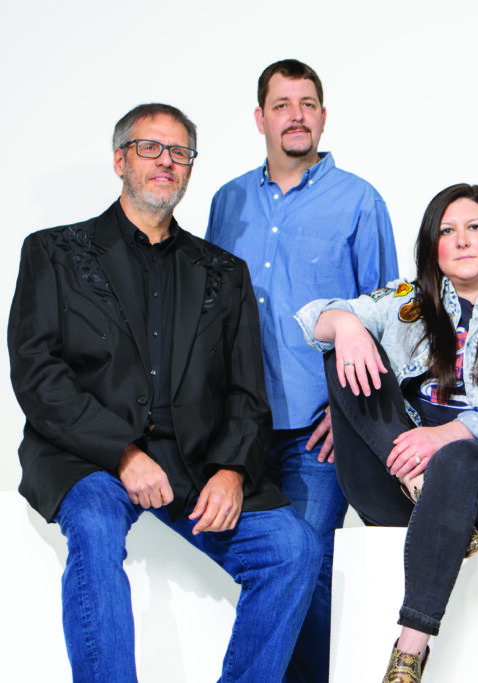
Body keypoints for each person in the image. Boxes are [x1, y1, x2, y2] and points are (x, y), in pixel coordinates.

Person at [8, 103, 320, 682]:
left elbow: (247, 393)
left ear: (190, 168)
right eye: (150, 148)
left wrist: (231, 470)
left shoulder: (225, 272)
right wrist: (123, 454)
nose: (166, 161)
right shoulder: (53, 252)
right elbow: (37, 375)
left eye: (179, 152)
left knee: (294, 549)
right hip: (89, 457)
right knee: (95, 527)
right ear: (120, 160)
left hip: (194, 461)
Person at [296, 183, 478, 683]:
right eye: (447, 230)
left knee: (459, 459)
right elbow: (315, 319)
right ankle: (422, 488)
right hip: (398, 479)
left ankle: (409, 652)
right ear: (432, 247)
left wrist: (444, 437)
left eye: (475, 227)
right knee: (343, 352)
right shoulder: (404, 302)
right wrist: (348, 326)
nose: (462, 240)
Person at [206, 59, 399, 681]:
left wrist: (353, 418)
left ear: (323, 116)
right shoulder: (228, 201)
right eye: (282, 104)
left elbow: (387, 319)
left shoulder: (360, 201)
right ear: (259, 118)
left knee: (310, 574)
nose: (296, 115)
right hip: (236, 430)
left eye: (308, 103)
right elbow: (208, 314)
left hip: (317, 434)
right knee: (271, 573)